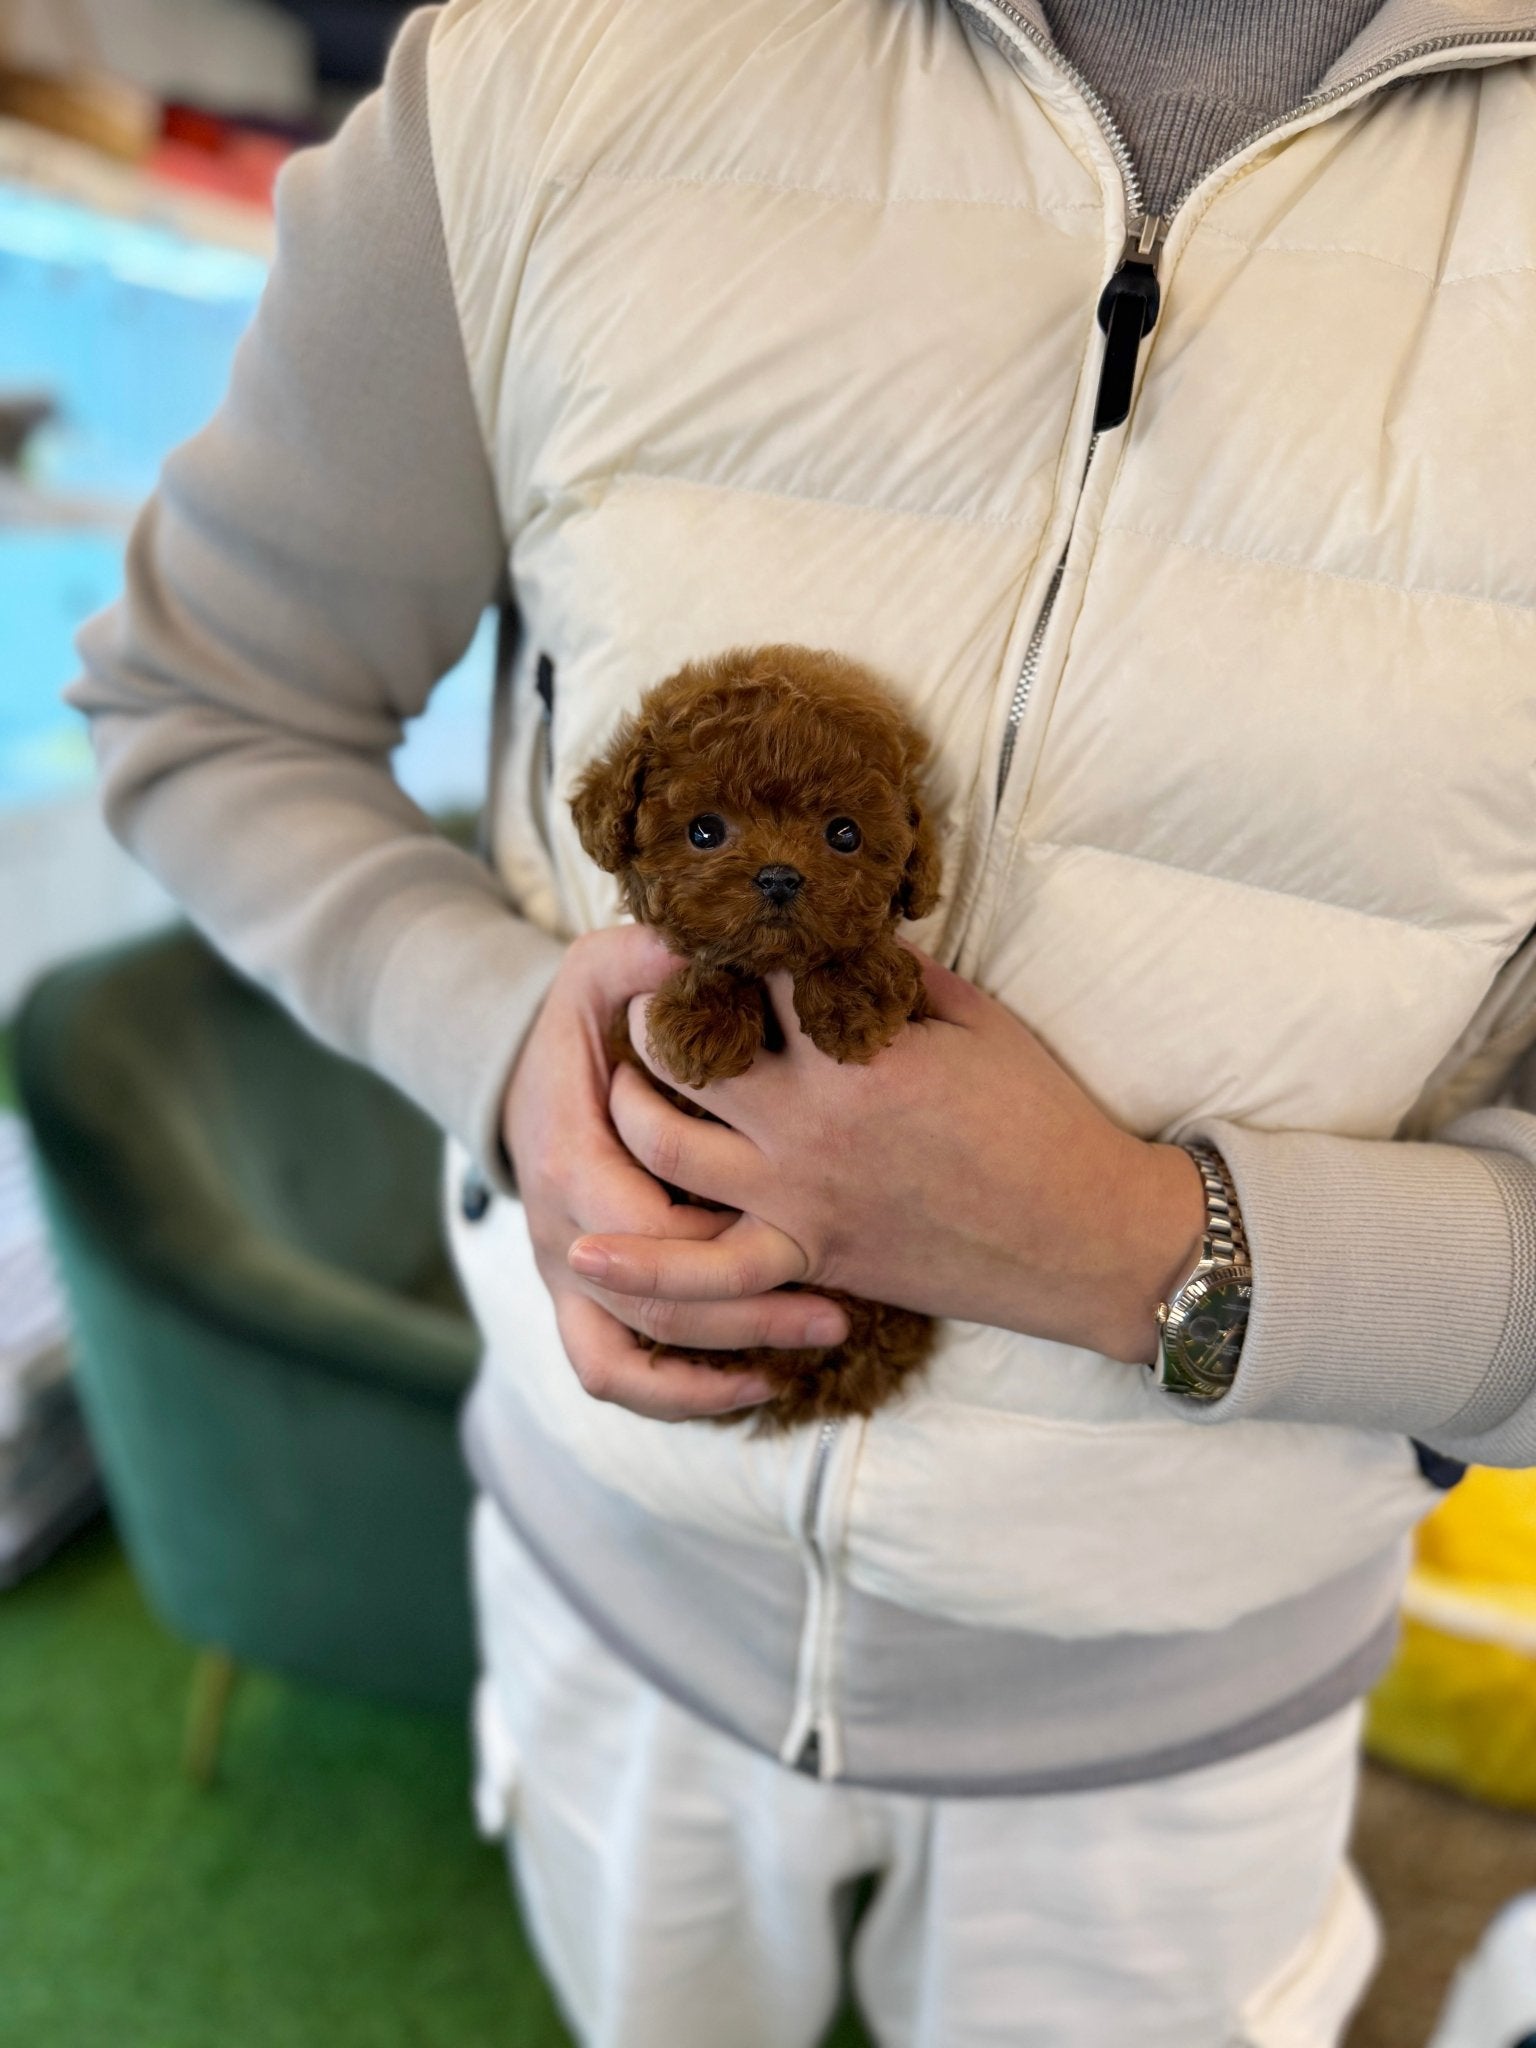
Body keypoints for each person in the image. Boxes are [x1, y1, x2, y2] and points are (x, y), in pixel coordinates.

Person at [70, 1, 1536, 2040]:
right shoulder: (554, 59)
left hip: (1185, 1720)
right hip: (611, 1584)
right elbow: (207, 700)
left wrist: (1152, 1252)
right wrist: (512, 1053)